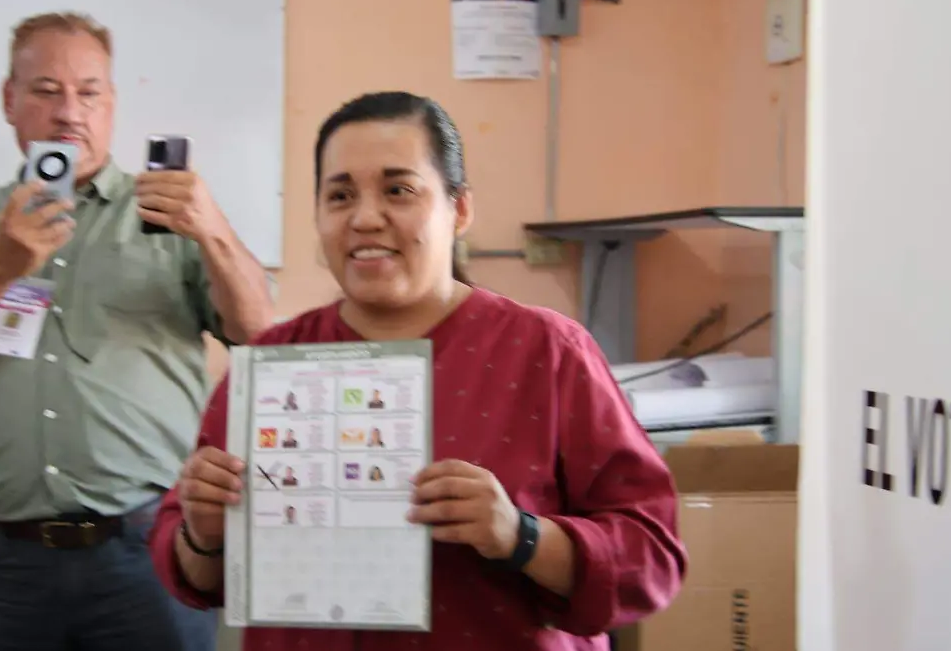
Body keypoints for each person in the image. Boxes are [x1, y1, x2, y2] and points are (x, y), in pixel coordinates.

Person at [148, 91, 687, 649]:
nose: (365, 218)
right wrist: (203, 533)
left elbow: (651, 559)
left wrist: (520, 535)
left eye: (398, 190)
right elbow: (190, 569)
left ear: (460, 210)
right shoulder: (273, 362)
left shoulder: (548, 351)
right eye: (340, 196)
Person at [0, 11, 274, 651]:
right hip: (2, 562)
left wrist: (215, 232)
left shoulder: (171, 214)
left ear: (111, 105)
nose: (69, 112)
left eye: (88, 93)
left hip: (147, 550)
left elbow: (260, 335)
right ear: (9, 101)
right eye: (46, 91)